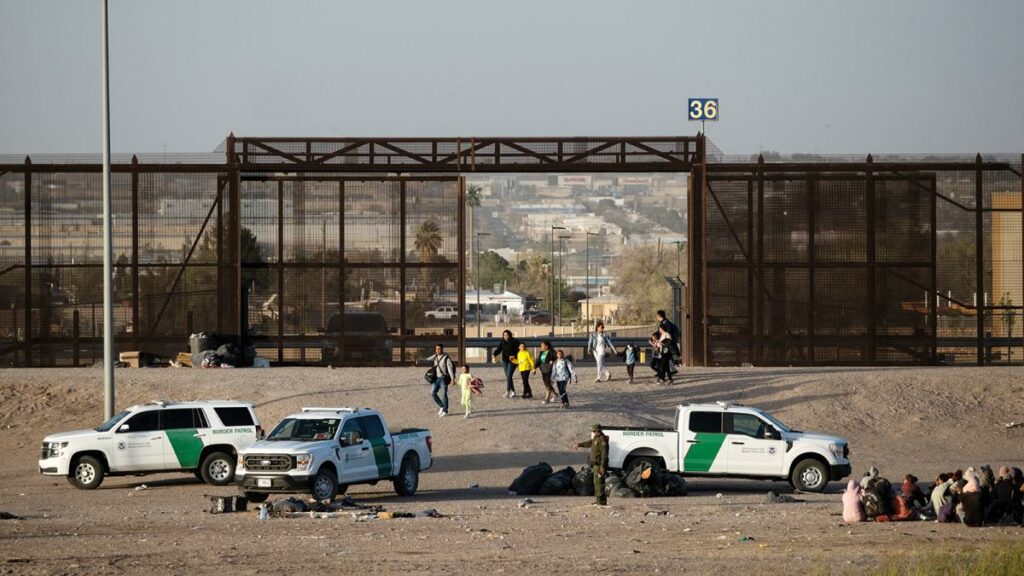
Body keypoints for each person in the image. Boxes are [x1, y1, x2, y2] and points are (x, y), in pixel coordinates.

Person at [573, 424, 609, 506]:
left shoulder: (602, 440)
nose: (593, 432)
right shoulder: (596, 439)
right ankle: (598, 500)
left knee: (599, 483)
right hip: (595, 465)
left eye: (593, 431)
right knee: (596, 483)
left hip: (600, 465)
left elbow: (604, 454)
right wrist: (579, 445)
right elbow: (589, 443)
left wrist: (602, 466)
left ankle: (602, 501)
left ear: (597, 431)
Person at [426, 344, 455, 417]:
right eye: (436, 349)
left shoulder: (446, 358)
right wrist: (420, 360)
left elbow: (450, 369)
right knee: (433, 393)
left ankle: (445, 411)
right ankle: (442, 406)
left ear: (442, 349)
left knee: (444, 394)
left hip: (443, 378)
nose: (437, 350)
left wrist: (453, 379)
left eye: (439, 349)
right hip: (436, 378)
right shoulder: (435, 356)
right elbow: (427, 359)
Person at [492, 330, 521, 399]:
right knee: (508, 376)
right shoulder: (502, 341)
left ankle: (508, 391)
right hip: (505, 361)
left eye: (507, 335)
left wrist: (514, 355)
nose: (505, 336)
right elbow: (499, 349)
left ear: (510, 335)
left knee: (509, 375)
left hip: (513, 361)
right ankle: (513, 391)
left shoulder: (514, 341)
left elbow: (519, 350)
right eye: (504, 335)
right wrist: (494, 354)